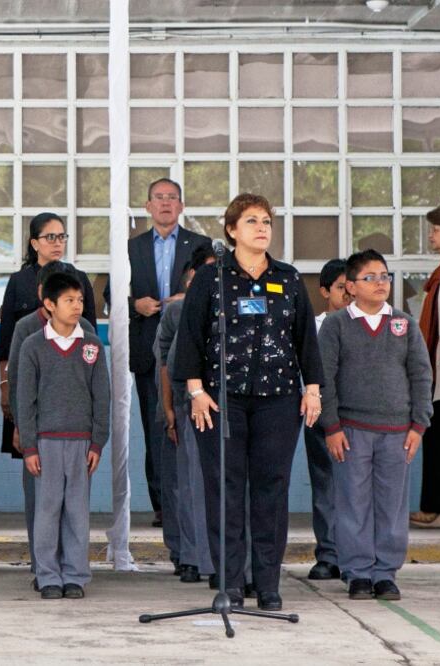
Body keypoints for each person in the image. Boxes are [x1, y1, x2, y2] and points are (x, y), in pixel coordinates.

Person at [174, 193, 323, 612]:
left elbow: (305, 340)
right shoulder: (212, 277)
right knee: (225, 489)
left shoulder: (288, 278)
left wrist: (312, 388)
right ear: (231, 230)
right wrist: (195, 390)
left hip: (278, 400)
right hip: (221, 400)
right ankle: (231, 582)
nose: (262, 228)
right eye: (252, 221)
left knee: (271, 490)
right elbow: (190, 338)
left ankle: (268, 583)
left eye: (267, 222)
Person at [319, 249, 432, 600]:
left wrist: (418, 425)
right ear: (350, 286)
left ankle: (385, 572)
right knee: (353, 502)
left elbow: (420, 375)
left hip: (398, 432)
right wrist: (332, 426)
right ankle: (357, 572)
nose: (380, 283)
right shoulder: (337, 325)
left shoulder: (403, 324)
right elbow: (325, 379)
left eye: (384, 276)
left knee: (392, 503)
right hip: (351, 430)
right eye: (370, 278)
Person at [16, 272, 109, 600]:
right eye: (69, 300)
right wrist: (29, 445)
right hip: (46, 442)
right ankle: (48, 576)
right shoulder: (33, 346)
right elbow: (24, 399)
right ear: (49, 305)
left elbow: (103, 397)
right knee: (47, 509)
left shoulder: (93, 344)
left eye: (80, 300)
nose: (77, 306)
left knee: (77, 511)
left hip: (82, 441)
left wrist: (98, 441)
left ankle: (75, 575)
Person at [125, 179, 211, 525]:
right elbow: (109, 295)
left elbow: (211, 290)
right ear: (147, 206)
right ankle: (163, 504)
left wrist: (185, 300)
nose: (165, 203)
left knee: (195, 426)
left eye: (171, 198)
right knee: (157, 426)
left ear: (181, 206)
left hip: (191, 348)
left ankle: (196, 498)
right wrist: (135, 305)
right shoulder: (132, 248)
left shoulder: (201, 245)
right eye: (158, 198)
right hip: (149, 350)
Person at [0, 213, 97, 462]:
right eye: (50, 237)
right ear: (34, 243)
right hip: (28, 383)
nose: (57, 243)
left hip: (71, 383)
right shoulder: (19, 281)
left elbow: (90, 335)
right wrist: (5, 388)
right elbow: (6, 341)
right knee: (32, 459)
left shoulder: (79, 279)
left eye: (61, 237)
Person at [154, 245, 215, 584]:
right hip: (187, 404)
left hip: (226, 405)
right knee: (190, 484)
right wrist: (168, 410)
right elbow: (166, 362)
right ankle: (192, 556)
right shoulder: (177, 313)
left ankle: (220, 557)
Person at [304, 259, 351, 580]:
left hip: (359, 418)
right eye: (340, 288)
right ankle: (329, 553)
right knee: (326, 487)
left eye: (352, 287)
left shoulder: (366, 323)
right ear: (324, 291)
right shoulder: (315, 327)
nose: (348, 295)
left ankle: (358, 556)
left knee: (358, 489)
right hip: (323, 418)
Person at [414, 205, 440, 528]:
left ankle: (434, 505)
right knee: (436, 439)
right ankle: (434, 504)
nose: (432, 236)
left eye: (436, 230)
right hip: (437, 373)